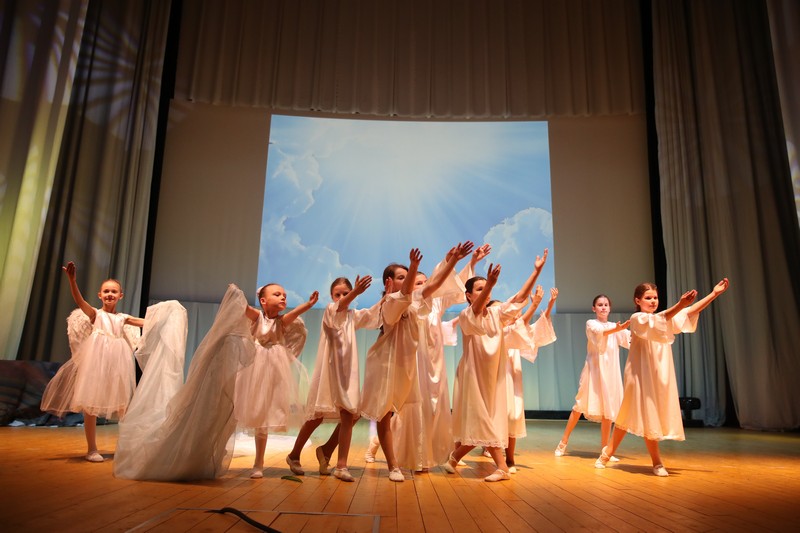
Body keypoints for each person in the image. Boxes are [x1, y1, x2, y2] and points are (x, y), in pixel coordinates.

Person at [360, 243, 474, 482]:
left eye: (408, 277)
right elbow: (405, 294)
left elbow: (434, 285)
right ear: (389, 282)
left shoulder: (418, 302)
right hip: (387, 364)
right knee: (380, 413)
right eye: (401, 277)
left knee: (403, 412)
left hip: (408, 366)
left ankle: (407, 457)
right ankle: (391, 465)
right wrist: (413, 266)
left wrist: (454, 261)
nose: (411, 281)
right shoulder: (391, 301)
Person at [595, 279, 730, 477]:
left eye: (655, 298)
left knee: (629, 416)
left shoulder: (664, 319)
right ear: (638, 300)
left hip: (658, 373)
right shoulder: (637, 318)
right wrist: (680, 304)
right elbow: (666, 316)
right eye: (648, 298)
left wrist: (714, 294)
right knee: (641, 413)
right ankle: (657, 462)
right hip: (639, 375)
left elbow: (688, 313)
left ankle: (606, 453)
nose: (653, 301)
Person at [443, 249, 548, 482]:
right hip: (473, 374)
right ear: (468, 295)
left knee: (484, 420)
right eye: (479, 289)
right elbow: (477, 310)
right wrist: (490, 283)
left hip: (494, 376)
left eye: (487, 288)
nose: (485, 291)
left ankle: (454, 458)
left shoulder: (496, 313)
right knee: (482, 419)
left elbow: (519, 298)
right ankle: (501, 467)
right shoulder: (466, 315)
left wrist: (537, 271)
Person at [391, 244, 489, 472]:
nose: (424, 285)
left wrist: (472, 262)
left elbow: (452, 286)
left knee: (435, 409)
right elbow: (439, 279)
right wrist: (448, 261)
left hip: (435, 364)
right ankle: (413, 457)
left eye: (425, 282)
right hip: (415, 362)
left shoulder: (436, 302)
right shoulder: (409, 303)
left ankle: (428, 455)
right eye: (418, 282)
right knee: (415, 409)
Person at [41, 262, 144, 462]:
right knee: (91, 404)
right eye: (106, 291)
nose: (110, 294)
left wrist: (167, 314)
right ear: (99, 295)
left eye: (114, 291)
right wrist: (72, 281)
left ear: (121, 296)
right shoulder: (96, 314)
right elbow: (79, 301)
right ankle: (92, 449)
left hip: (117, 363)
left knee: (123, 406)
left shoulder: (123, 318)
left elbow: (147, 322)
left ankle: (126, 447)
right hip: (96, 362)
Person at [286, 275, 379, 482]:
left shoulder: (353, 316)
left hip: (347, 375)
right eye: (338, 294)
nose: (342, 297)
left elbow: (374, 314)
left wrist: (388, 296)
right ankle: (294, 455)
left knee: (349, 415)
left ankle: (341, 465)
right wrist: (355, 292)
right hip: (329, 373)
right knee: (316, 417)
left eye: (346, 293)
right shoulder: (330, 310)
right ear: (331, 296)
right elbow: (339, 306)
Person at [236, 283, 318, 479]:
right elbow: (243, 308)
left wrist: (309, 304)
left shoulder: (282, 321)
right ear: (263, 300)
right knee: (257, 412)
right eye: (277, 294)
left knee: (267, 413)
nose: (283, 297)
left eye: (285, 295)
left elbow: (295, 312)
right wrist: (235, 294)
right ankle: (256, 461)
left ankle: (259, 462)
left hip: (274, 368)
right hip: (255, 367)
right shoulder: (257, 317)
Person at [555, 294, 630, 459]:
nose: (603, 307)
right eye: (600, 304)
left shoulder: (616, 327)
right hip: (593, 371)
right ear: (594, 308)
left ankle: (605, 450)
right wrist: (618, 329)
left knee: (608, 410)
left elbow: (631, 340)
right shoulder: (591, 323)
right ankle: (563, 442)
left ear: (610, 308)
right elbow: (599, 333)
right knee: (579, 406)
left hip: (610, 373)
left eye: (606, 305)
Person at [504, 286, 558, 473]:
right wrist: (534, 304)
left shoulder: (518, 330)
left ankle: (509, 458)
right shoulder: (500, 330)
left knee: (514, 413)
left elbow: (538, 330)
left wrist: (549, 305)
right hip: (497, 376)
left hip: (513, 376)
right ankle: (491, 450)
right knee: (499, 414)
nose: (517, 314)